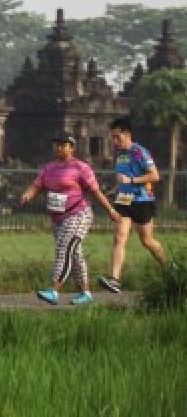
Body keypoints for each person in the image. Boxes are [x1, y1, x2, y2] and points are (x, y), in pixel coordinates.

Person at [19, 132, 119, 306]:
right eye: (56, 144)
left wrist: (110, 210)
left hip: (78, 215)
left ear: (72, 147)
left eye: (63, 145)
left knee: (63, 249)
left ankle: (54, 291)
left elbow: (95, 191)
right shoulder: (49, 168)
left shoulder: (81, 168)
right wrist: (27, 195)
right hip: (58, 218)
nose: (58, 148)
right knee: (75, 255)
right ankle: (85, 293)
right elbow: (37, 185)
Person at [99, 117, 167, 293]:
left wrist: (131, 180)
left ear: (127, 134)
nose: (114, 141)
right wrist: (115, 189)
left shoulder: (140, 152)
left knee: (147, 241)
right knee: (119, 237)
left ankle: (169, 268)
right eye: (112, 138)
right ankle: (114, 280)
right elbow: (124, 178)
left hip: (143, 200)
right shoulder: (120, 154)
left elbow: (155, 176)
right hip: (124, 199)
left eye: (117, 137)